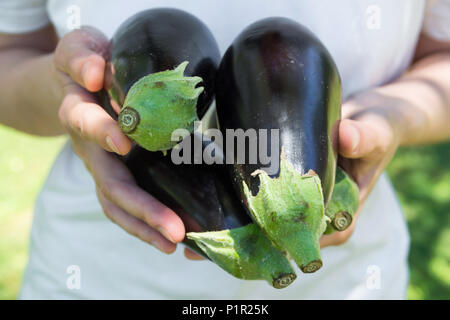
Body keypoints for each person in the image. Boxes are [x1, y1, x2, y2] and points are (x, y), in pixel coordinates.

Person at [0, 0, 449, 299]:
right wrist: (73, 94)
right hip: (90, 279)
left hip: (352, 283)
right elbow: (11, 55)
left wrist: (395, 115)